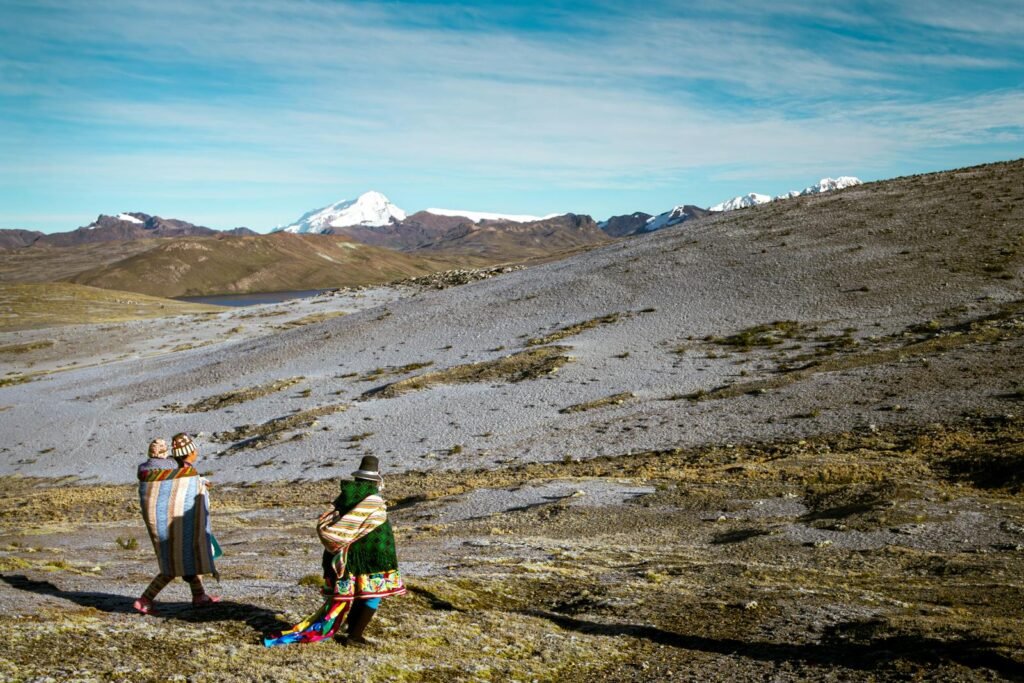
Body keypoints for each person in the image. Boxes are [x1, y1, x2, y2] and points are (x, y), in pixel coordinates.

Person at [262, 455, 406, 647]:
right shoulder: (373, 501)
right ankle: (354, 636)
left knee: (356, 593)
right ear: (377, 479)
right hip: (370, 557)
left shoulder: (343, 497)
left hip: (342, 556)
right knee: (372, 594)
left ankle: (350, 628)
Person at [134, 434, 221, 615]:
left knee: (188, 559)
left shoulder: (148, 470)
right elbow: (182, 493)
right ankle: (144, 600)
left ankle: (200, 596)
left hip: (165, 524)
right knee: (174, 564)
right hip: (179, 523)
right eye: (194, 450)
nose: (197, 452)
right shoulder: (182, 472)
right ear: (190, 452)